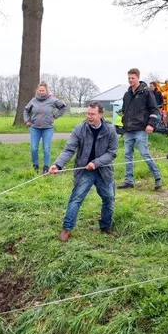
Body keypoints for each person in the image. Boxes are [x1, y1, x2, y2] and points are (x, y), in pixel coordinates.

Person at [49, 102, 118, 242]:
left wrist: (96, 163)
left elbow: (112, 153)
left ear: (100, 114)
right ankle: (67, 229)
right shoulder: (80, 128)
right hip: (84, 170)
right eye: (88, 113)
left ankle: (105, 227)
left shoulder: (110, 130)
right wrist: (58, 165)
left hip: (104, 170)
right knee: (76, 198)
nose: (89, 116)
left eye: (92, 114)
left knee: (109, 198)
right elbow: (69, 149)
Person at [119, 68, 163, 191]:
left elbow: (154, 110)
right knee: (127, 155)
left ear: (138, 78)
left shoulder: (147, 92)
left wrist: (151, 124)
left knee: (144, 153)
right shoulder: (127, 95)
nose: (130, 80)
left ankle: (158, 177)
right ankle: (129, 181)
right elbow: (124, 110)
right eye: (129, 78)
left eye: (132, 78)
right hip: (129, 129)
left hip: (141, 129)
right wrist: (123, 121)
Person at [23, 82, 67, 174]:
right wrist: (27, 120)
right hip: (35, 128)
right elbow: (26, 110)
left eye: (43, 90)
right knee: (34, 148)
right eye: (40, 90)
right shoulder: (33, 101)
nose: (41, 92)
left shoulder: (52, 100)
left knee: (46, 148)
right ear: (37, 91)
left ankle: (46, 167)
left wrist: (55, 116)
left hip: (48, 128)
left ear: (46, 91)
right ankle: (35, 166)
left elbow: (63, 107)